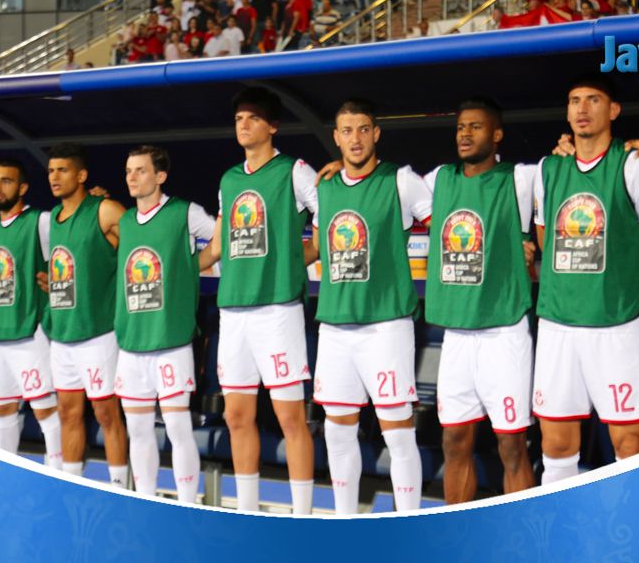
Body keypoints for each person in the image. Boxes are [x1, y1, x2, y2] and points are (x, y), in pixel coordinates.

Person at [532, 76, 639, 484]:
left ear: (614, 110)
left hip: (615, 325)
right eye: (574, 100)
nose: (582, 108)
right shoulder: (548, 168)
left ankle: (636, 525)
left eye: (593, 99)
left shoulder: (636, 166)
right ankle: (560, 523)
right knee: (556, 445)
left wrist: (625, 287)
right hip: (558, 324)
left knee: (630, 442)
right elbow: (545, 237)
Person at [313, 99, 432, 513]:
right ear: (336, 137)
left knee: (397, 434)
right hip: (335, 325)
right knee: (337, 432)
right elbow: (317, 247)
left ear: (376, 133)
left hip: (386, 325)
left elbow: (446, 224)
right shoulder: (325, 187)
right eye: (347, 131)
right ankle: (346, 524)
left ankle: (408, 525)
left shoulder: (400, 180)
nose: (356, 138)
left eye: (363, 129)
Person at [205, 87, 318, 513]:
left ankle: (303, 515)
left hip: (276, 310)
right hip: (234, 310)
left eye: (253, 118)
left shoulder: (294, 171)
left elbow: (333, 217)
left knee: (290, 418)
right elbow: (218, 247)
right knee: (236, 416)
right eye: (239, 119)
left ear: (272, 126)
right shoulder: (229, 179)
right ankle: (247, 512)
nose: (244, 125)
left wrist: (298, 259)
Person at [424, 99, 537, 503]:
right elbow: (381, 184)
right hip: (457, 334)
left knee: (511, 446)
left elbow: (575, 172)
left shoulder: (520, 178)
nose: (465, 134)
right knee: (454, 441)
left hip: (503, 332)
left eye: (476, 127)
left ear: (497, 134)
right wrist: (340, 167)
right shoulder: (439, 179)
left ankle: (522, 532)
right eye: (460, 127)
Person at [114, 145, 217, 500]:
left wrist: (188, 267)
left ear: (160, 176)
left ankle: (187, 505)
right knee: (138, 430)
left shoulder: (184, 212)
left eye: (140, 170)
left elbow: (221, 239)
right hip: (132, 343)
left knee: (177, 427)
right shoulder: (126, 221)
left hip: (171, 342)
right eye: (129, 170)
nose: (132, 177)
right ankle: (146, 501)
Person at [43, 143, 128, 485]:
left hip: (98, 333)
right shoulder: (53, 217)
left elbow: (141, 242)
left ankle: (119, 490)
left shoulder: (104, 210)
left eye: (62, 170)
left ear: (81, 175)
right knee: (67, 413)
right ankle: (71, 487)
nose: (54, 177)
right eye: (51, 170)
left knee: (106, 413)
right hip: (63, 333)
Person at [0, 158, 63, 469]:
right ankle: (6, 477)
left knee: (45, 410)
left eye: (6, 181)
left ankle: (58, 477)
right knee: (1, 411)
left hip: (29, 331)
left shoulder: (41, 221)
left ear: (23, 187)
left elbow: (77, 248)